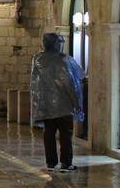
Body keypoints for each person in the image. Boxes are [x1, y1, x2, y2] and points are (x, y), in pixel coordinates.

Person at [30, 32, 84, 172]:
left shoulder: (37, 58)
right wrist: (76, 102)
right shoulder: (64, 60)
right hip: (64, 105)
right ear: (56, 44)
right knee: (65, 135)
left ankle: (51, 162)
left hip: (46, 105)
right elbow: (72, 80)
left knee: (49, 134)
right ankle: (66, 163)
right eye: (59, 42)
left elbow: (34, 82)